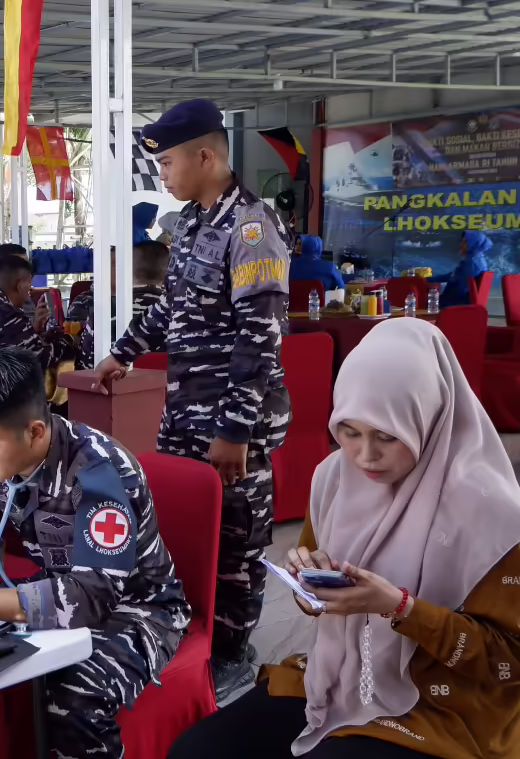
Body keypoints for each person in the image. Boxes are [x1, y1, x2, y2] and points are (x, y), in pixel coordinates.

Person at [169, 318, 520, 759]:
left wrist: (401, 608)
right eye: (349, 431)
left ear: (430, 419)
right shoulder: (335, 478)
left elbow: (510, 660)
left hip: (445, 703)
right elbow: (324, 601)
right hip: (340, 677)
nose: (364, 456)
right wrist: (311, 585)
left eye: (387, 437)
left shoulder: (492, 511)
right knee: (197, 751)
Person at [0, 347, 190, 758]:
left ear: (35, 433)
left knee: (75, 689)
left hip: (136, 609)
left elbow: (91, 598)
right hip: (56, 589)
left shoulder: (100, 474)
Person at [95, 98, 292, 699]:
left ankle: (233, 652)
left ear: (206, 156)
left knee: (235, 544)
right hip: (185, 415)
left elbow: (260, 336)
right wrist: (122, 352)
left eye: (169, 163)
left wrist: (234, 431)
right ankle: (190, 632)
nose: (164, 175)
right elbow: (171, 307)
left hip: (234, 423)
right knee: (182, 531)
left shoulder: (253, 227)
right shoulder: (192, 225)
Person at [71, 241, 170, 370]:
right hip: (172, 388)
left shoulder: (102, 314)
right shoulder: (184, 312)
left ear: (128, 268)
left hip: (113, 388)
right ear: (169, 271)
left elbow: (86, 370)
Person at [433, 231, 492, 308]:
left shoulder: (470, 263)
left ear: (474, 244)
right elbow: (455, 277)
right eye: (462, 241)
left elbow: (455, 282)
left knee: (423, 300)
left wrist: (428, 279)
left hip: (457, 303)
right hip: (464, 300)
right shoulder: (478, 258)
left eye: (465, 242)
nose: (461, 244)